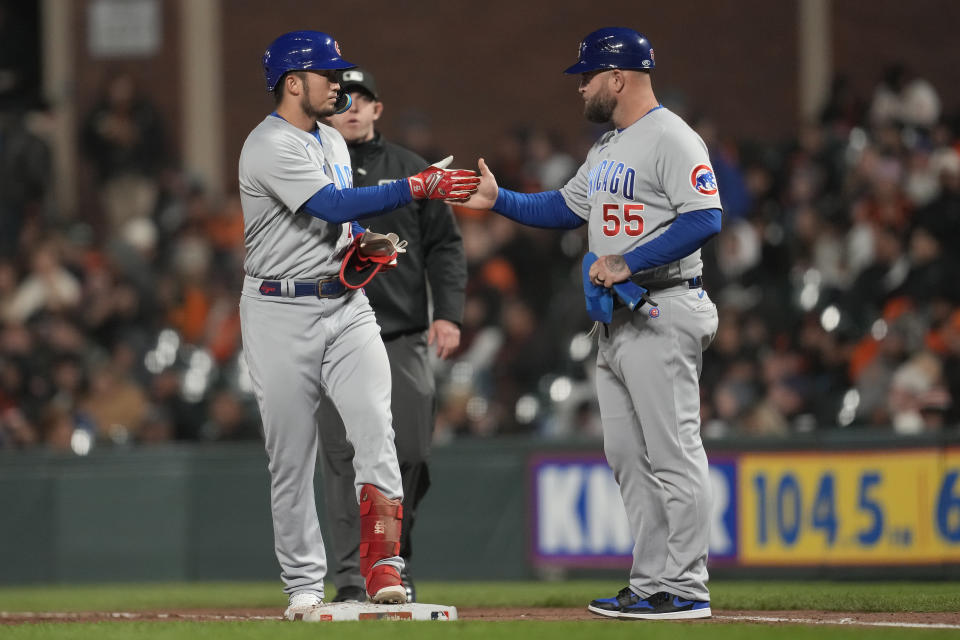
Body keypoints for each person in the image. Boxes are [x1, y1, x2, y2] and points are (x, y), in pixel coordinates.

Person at [458, 27, 721, 620]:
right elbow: (563, 207)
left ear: (619, 77)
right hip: (617, 317)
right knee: (628, 455)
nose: (580, 87)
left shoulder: (672, 137)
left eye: (588, 75)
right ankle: (652, 580)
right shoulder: (606, 148)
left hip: (664, 304)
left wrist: (630, 259)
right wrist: (501, 199)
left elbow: (706, 217)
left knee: (673, 452)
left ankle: (687, 585)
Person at [236, 30, 478, 620]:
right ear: (294, 83)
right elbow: (333, 205)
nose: (338, 84)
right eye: (328, 74)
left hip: (345, 305)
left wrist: (360, 249)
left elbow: (340, 226)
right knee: (291, 455)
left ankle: (384, 565)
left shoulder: (330, 140)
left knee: (377, 428)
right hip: (278, 310)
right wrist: (414, 186)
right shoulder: (268, 145)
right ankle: (303, 583)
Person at [321, 67, 467, 603]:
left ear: (378, 109)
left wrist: (446, 312)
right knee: (340, 460)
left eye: (364, 99)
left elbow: (446, 246)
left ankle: (391, 556)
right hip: (332, 334)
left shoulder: (412, 171)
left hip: (399, 335)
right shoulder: (314, 165)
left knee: (411, 450)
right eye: (344, 99)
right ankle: (351, 580)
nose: (354, 107)